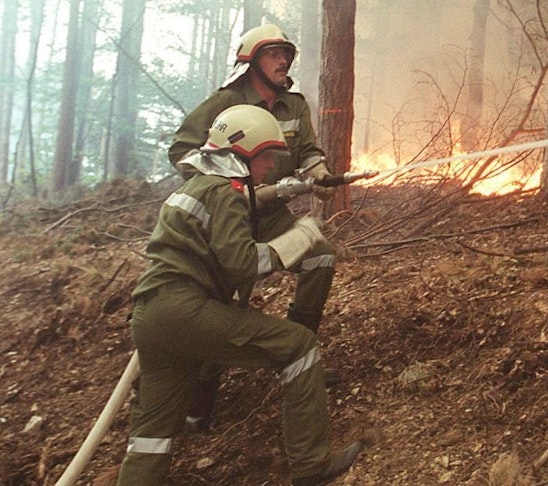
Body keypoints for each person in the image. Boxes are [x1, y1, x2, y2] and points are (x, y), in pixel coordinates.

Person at [117, 105, 365, 486]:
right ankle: (311, 467)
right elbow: (243, 263)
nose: (269, 167)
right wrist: (299, 238)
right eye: (266, 157)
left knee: (152, 434)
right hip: (186, 308)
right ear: (242, 151)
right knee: (299, 346)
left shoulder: (197, 185)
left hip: (151, 316)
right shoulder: (225, 192)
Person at [169, 23, 339, 430]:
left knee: (320, 257)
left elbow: (309, 152)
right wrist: (227, 186)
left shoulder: (294, 106)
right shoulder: (225, 103)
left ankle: (296, 355)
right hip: (228, 220)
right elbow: (181, 151)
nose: (284, 60)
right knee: (222, 305)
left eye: (287, 54)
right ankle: (197, 404)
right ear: (251, 60)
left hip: (275, 217)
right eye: (274, 54)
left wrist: (318, 172)